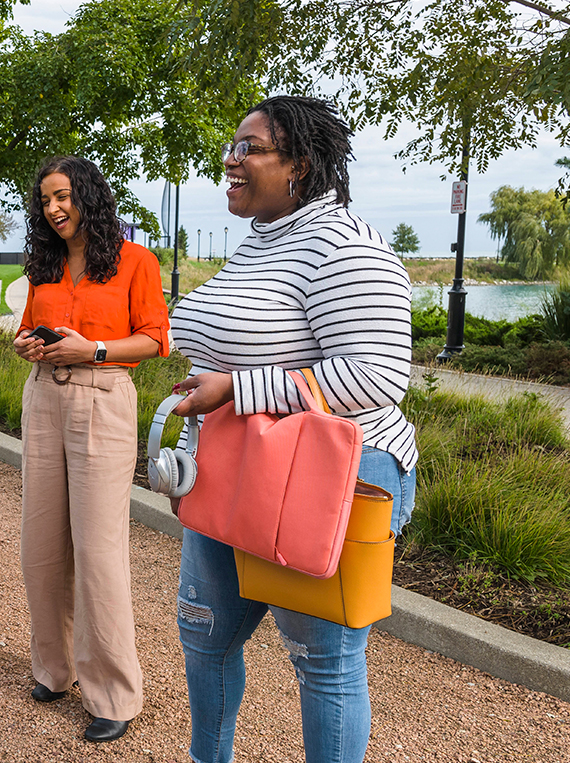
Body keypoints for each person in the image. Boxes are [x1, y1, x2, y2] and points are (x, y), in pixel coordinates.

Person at [168, 96, 417, 763]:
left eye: (250, 148)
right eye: (233, 144)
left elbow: (375, 376)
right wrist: (190, 461)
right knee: (205, 635)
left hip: (329, 476)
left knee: (322, 661)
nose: (231, 158)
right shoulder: (261, 244)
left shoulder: (345, 246)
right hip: (235, 470)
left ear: (300, 166)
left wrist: (239, 390)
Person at [11, 156, 171, 743]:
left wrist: (94, 351)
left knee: (99, 549)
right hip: (43, 400)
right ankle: (54, 669)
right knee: (41, 544)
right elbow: (30, 325)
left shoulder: (136, 261)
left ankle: (112, 691)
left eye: (63, 197)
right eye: (46, 200)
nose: (54, 209)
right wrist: (29, 344)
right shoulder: (44, 266)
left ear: (87, 197)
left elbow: (155, 340)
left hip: (103, 399)